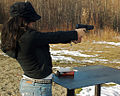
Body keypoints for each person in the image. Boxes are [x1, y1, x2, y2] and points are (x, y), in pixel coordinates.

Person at [1, 1, 85, 96]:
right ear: (24, 20)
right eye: (31, 20)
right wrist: (75, 33)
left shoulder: (18, 37)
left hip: (30, 85)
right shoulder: (28, 37)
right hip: (38, 88)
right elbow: (52, 36)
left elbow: (44, 40)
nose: (33, 22)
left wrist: (71, 38)